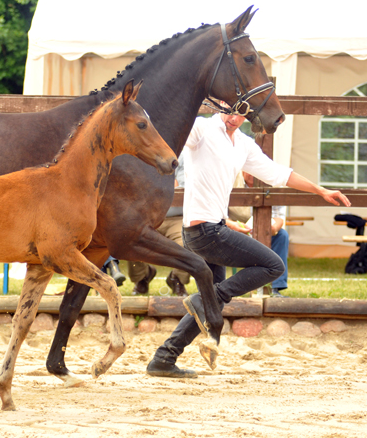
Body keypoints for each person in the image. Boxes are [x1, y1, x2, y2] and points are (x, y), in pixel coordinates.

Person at [146, 106, 350, 378]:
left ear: (248, 116)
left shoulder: (243, 144)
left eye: (240, 113)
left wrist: (321, 190)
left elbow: (279, 174)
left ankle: (164, 358)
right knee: (273, 266)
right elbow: (173, 127)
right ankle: (208, 298)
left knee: (211, 304)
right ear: (219, 107)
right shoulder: (202, 130)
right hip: (204, 233)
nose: (233, 117)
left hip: (213, 227)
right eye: (229, 111)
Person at [129, 151, 190, 297]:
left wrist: (153, 189)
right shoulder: (142, 153)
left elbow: (185, 187)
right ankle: (142, 278)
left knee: (188, 242)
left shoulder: (184, 155)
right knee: (128, 237)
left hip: (177, 217)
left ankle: (177, 279)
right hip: (147, 217)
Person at [241, 171, 290, 298]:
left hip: (264, 228)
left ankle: (275, 287)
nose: (252, 173)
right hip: (238, 229)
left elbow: (279, 218)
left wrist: (273, 228)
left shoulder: (273, 187)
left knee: (282, 235)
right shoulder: (233, 183)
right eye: (249, 169)